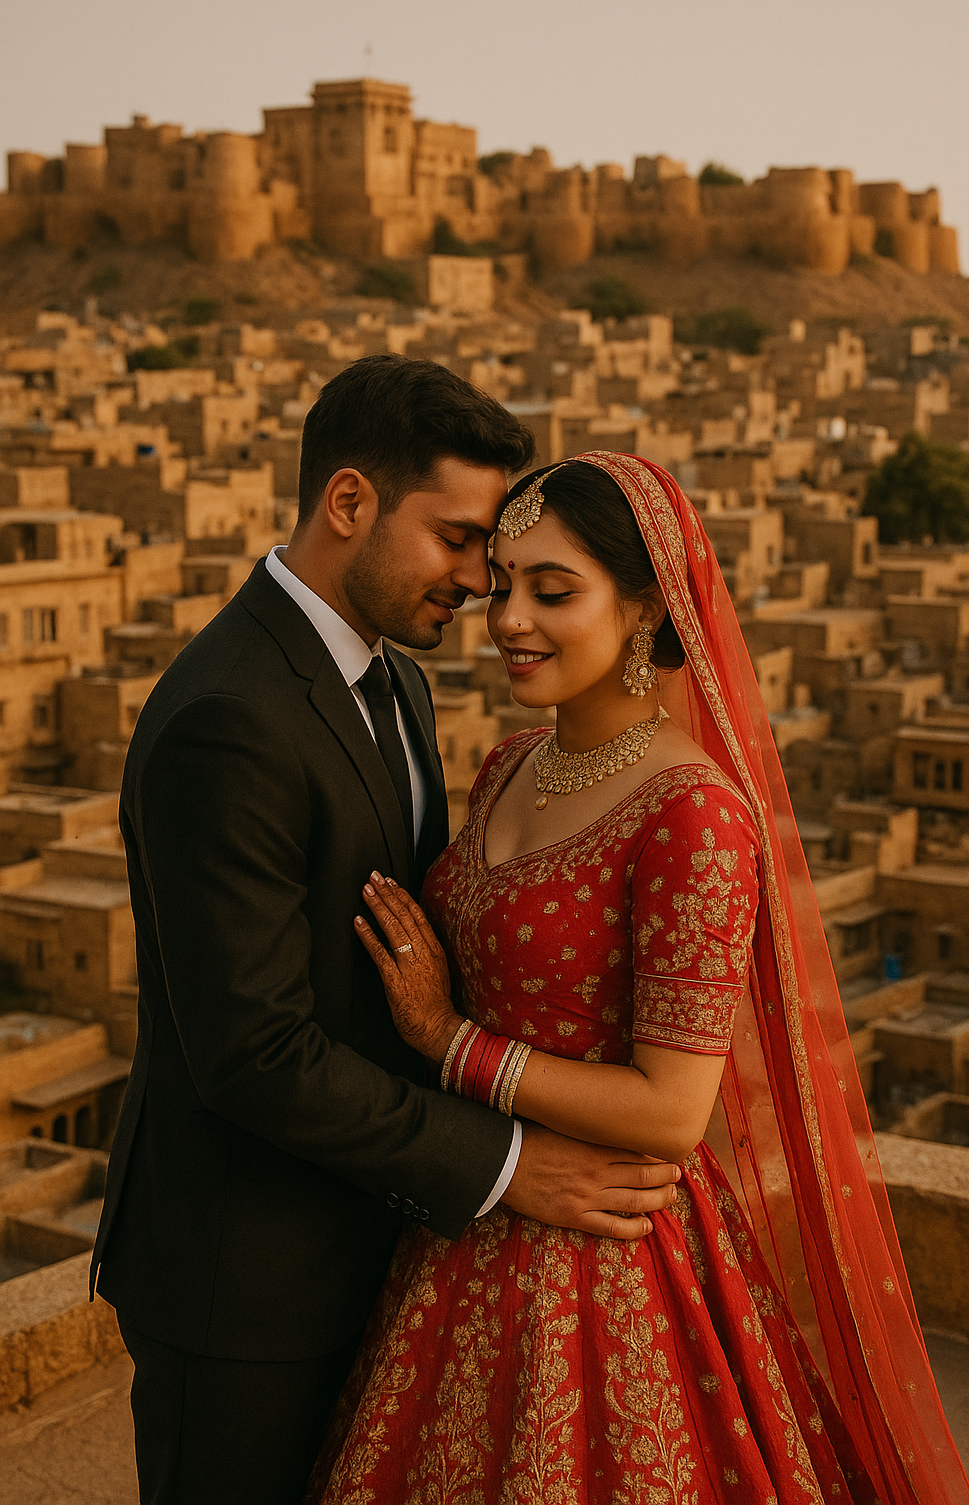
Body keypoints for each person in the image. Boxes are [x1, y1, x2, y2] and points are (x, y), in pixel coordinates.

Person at [308, 452, 969, 1505]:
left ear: (643, 610)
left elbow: (673, 1112)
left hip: (609, 1255)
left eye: (554, 592)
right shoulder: (509, 764)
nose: (510, 619)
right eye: (505, 585)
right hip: (468, 1219)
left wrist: (449, 1043)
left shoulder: (693, 815)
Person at [90, 366, 681, 1505]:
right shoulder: (231, 717)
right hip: (245, 1282)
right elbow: (252, 1053)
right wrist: (509, 1164)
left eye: (500, 559)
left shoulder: (392, 684)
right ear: (349, 503)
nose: (480, 584)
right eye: (458, 541)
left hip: (378, 1243)